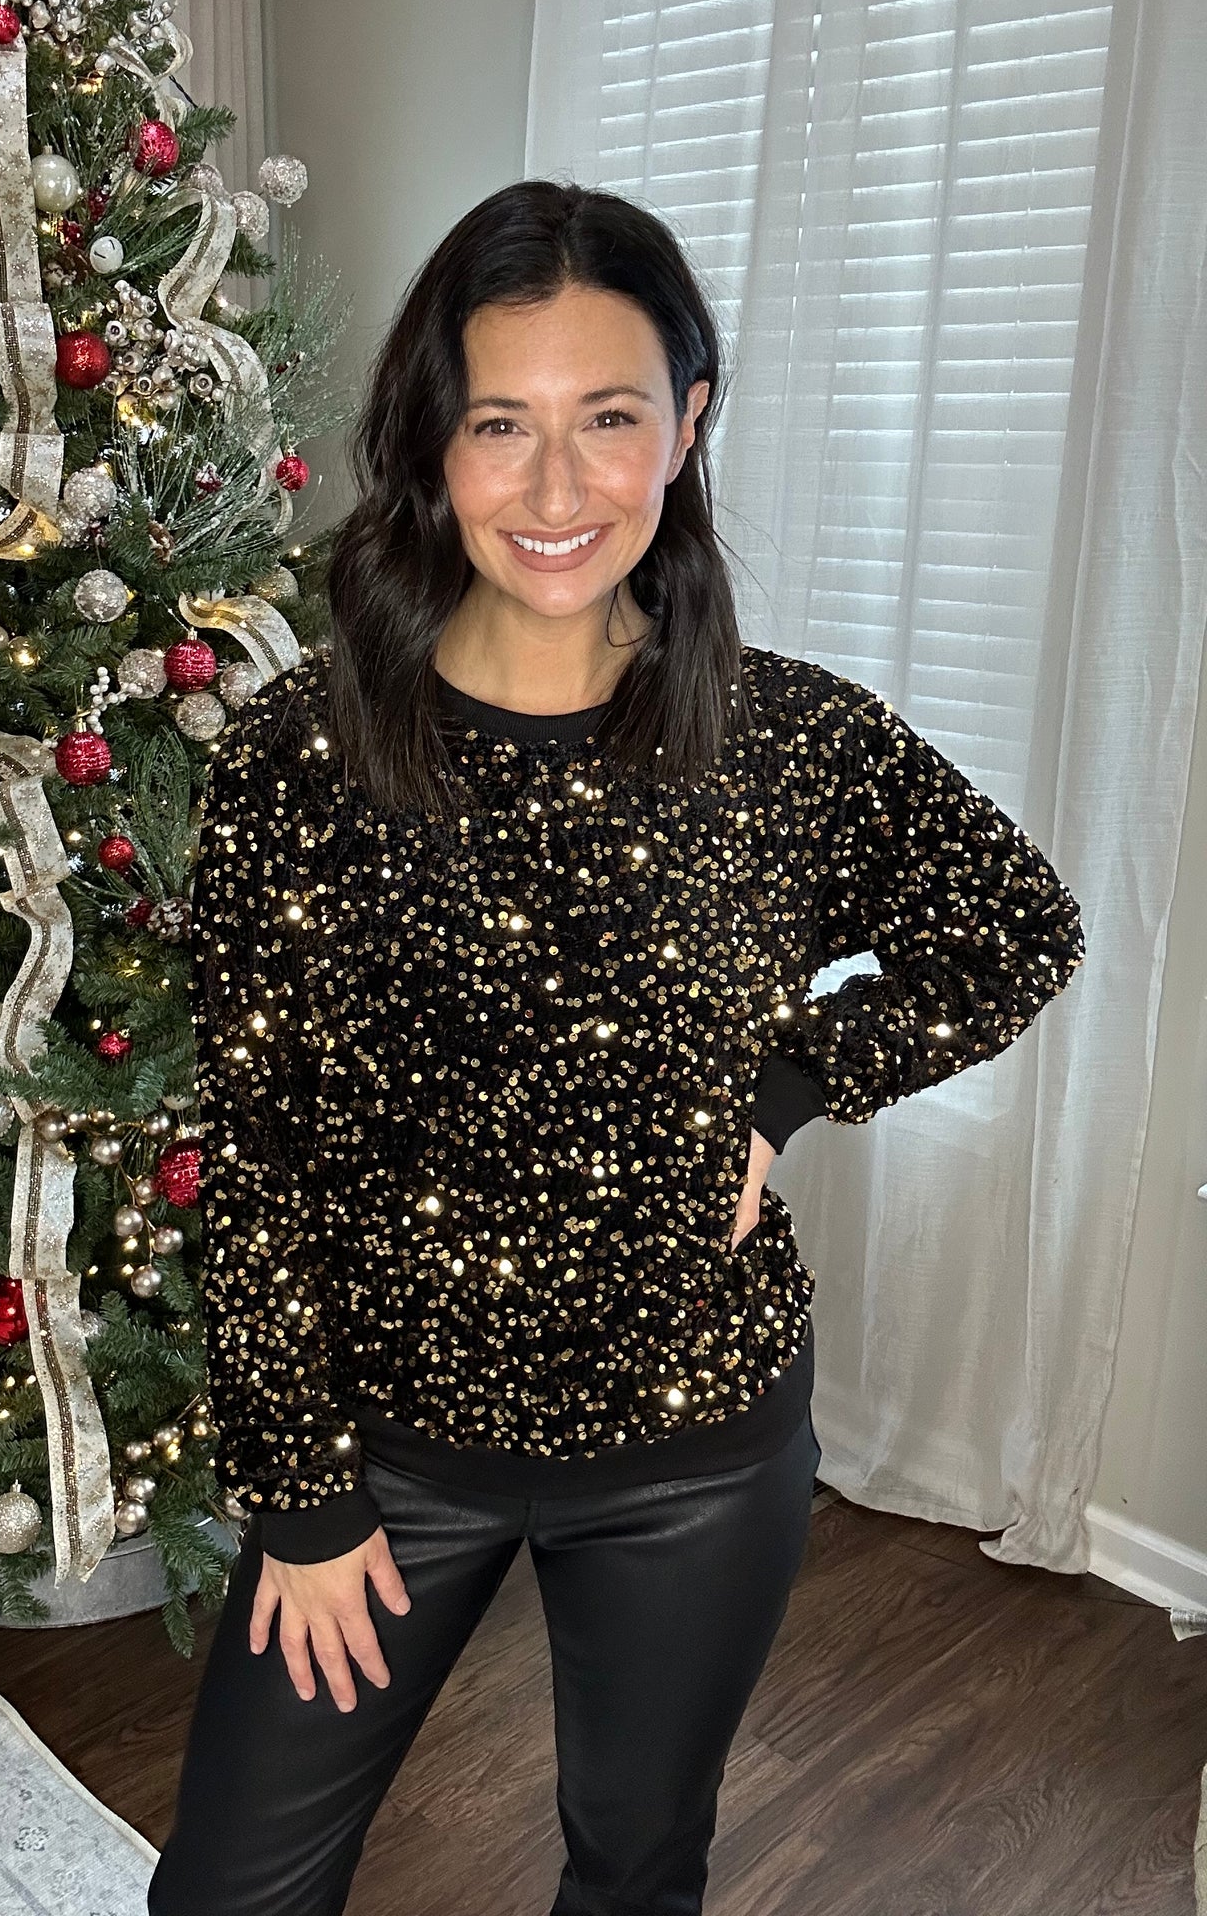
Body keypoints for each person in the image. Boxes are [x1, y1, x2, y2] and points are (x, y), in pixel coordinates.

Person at [147, 179, 1085, 1916]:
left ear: (689, 423)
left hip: (694, 1448)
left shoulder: (792, 743)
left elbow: (1020, 929)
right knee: (230, 1890)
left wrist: (788, 1091)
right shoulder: (300, 756)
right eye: (501, 424)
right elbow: (253, 1148)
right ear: (433, 440)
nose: (556, 490)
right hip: (386, 1448)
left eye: (610, 419)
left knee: (639, 1868)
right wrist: (301, 1497)